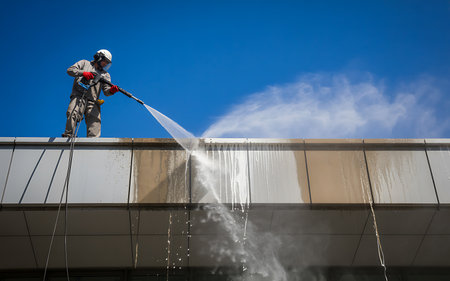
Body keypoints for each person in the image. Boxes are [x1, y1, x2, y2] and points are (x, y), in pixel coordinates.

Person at [62, 49, 119, 138]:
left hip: (93, 101)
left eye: (107, 63)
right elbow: (70, 70)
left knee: (95, 121)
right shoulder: (84, 63)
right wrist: (83, 73)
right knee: (73, 113)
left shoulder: (105, 75)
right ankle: (69, 136)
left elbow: (106, 91)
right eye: (105, 61)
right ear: (98, 57)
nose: (105, 64)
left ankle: (94, 142)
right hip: (79, 96)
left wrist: (112, 91)